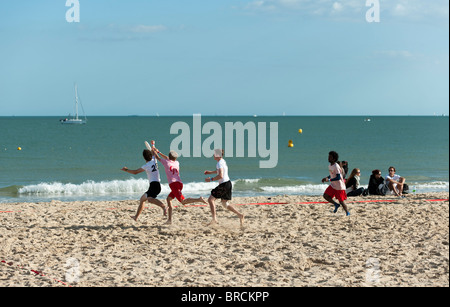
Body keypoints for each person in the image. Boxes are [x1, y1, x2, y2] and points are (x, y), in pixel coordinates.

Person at [152, 147, 207, 225]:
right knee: (168, 199)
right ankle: (169, 220)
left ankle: (199, 199)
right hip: (178, 183)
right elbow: (166, 158)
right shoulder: (176, 162)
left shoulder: (166, 163)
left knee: (183, 202)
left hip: (174, 185)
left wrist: (153, 150)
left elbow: (157, 158)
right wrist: (158, 151)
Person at [121, 149, 166, 221]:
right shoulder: (154, 160)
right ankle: (136, 217)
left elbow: (135, 172)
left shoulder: (146, 165)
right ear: (151, 155)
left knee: (150, 199)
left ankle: (163, 207)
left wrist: (126, 169)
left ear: (144, 158)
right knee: (142, 199)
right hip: (156, 185)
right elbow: (153, 152)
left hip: (154, 185)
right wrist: (153, 145)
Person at [204, 149, 245, 227]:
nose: (213, 155)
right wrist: (210, 172)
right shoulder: (222, 161)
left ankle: (214, 219)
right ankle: (240, 215)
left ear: (218, 155)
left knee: (210, 199)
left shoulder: (219, 163)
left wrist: (210, 179)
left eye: (214, 154)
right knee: (224, 204)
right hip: (228, 184)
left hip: (224, 185)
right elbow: (219, 171)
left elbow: (220, 175)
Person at [321, 151, 350, 216]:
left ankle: (347, 212)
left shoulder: (336, 166)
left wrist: (329, 179)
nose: (328, 158)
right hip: (333, 185)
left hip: (339, 186)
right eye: (328, 156)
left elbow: (338, 177)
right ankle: (336, 204)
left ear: (334, 159)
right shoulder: (330, 165)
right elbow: (331, 174)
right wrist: (326, 178)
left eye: (330, 157)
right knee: (325, 196)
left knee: (341, 201)